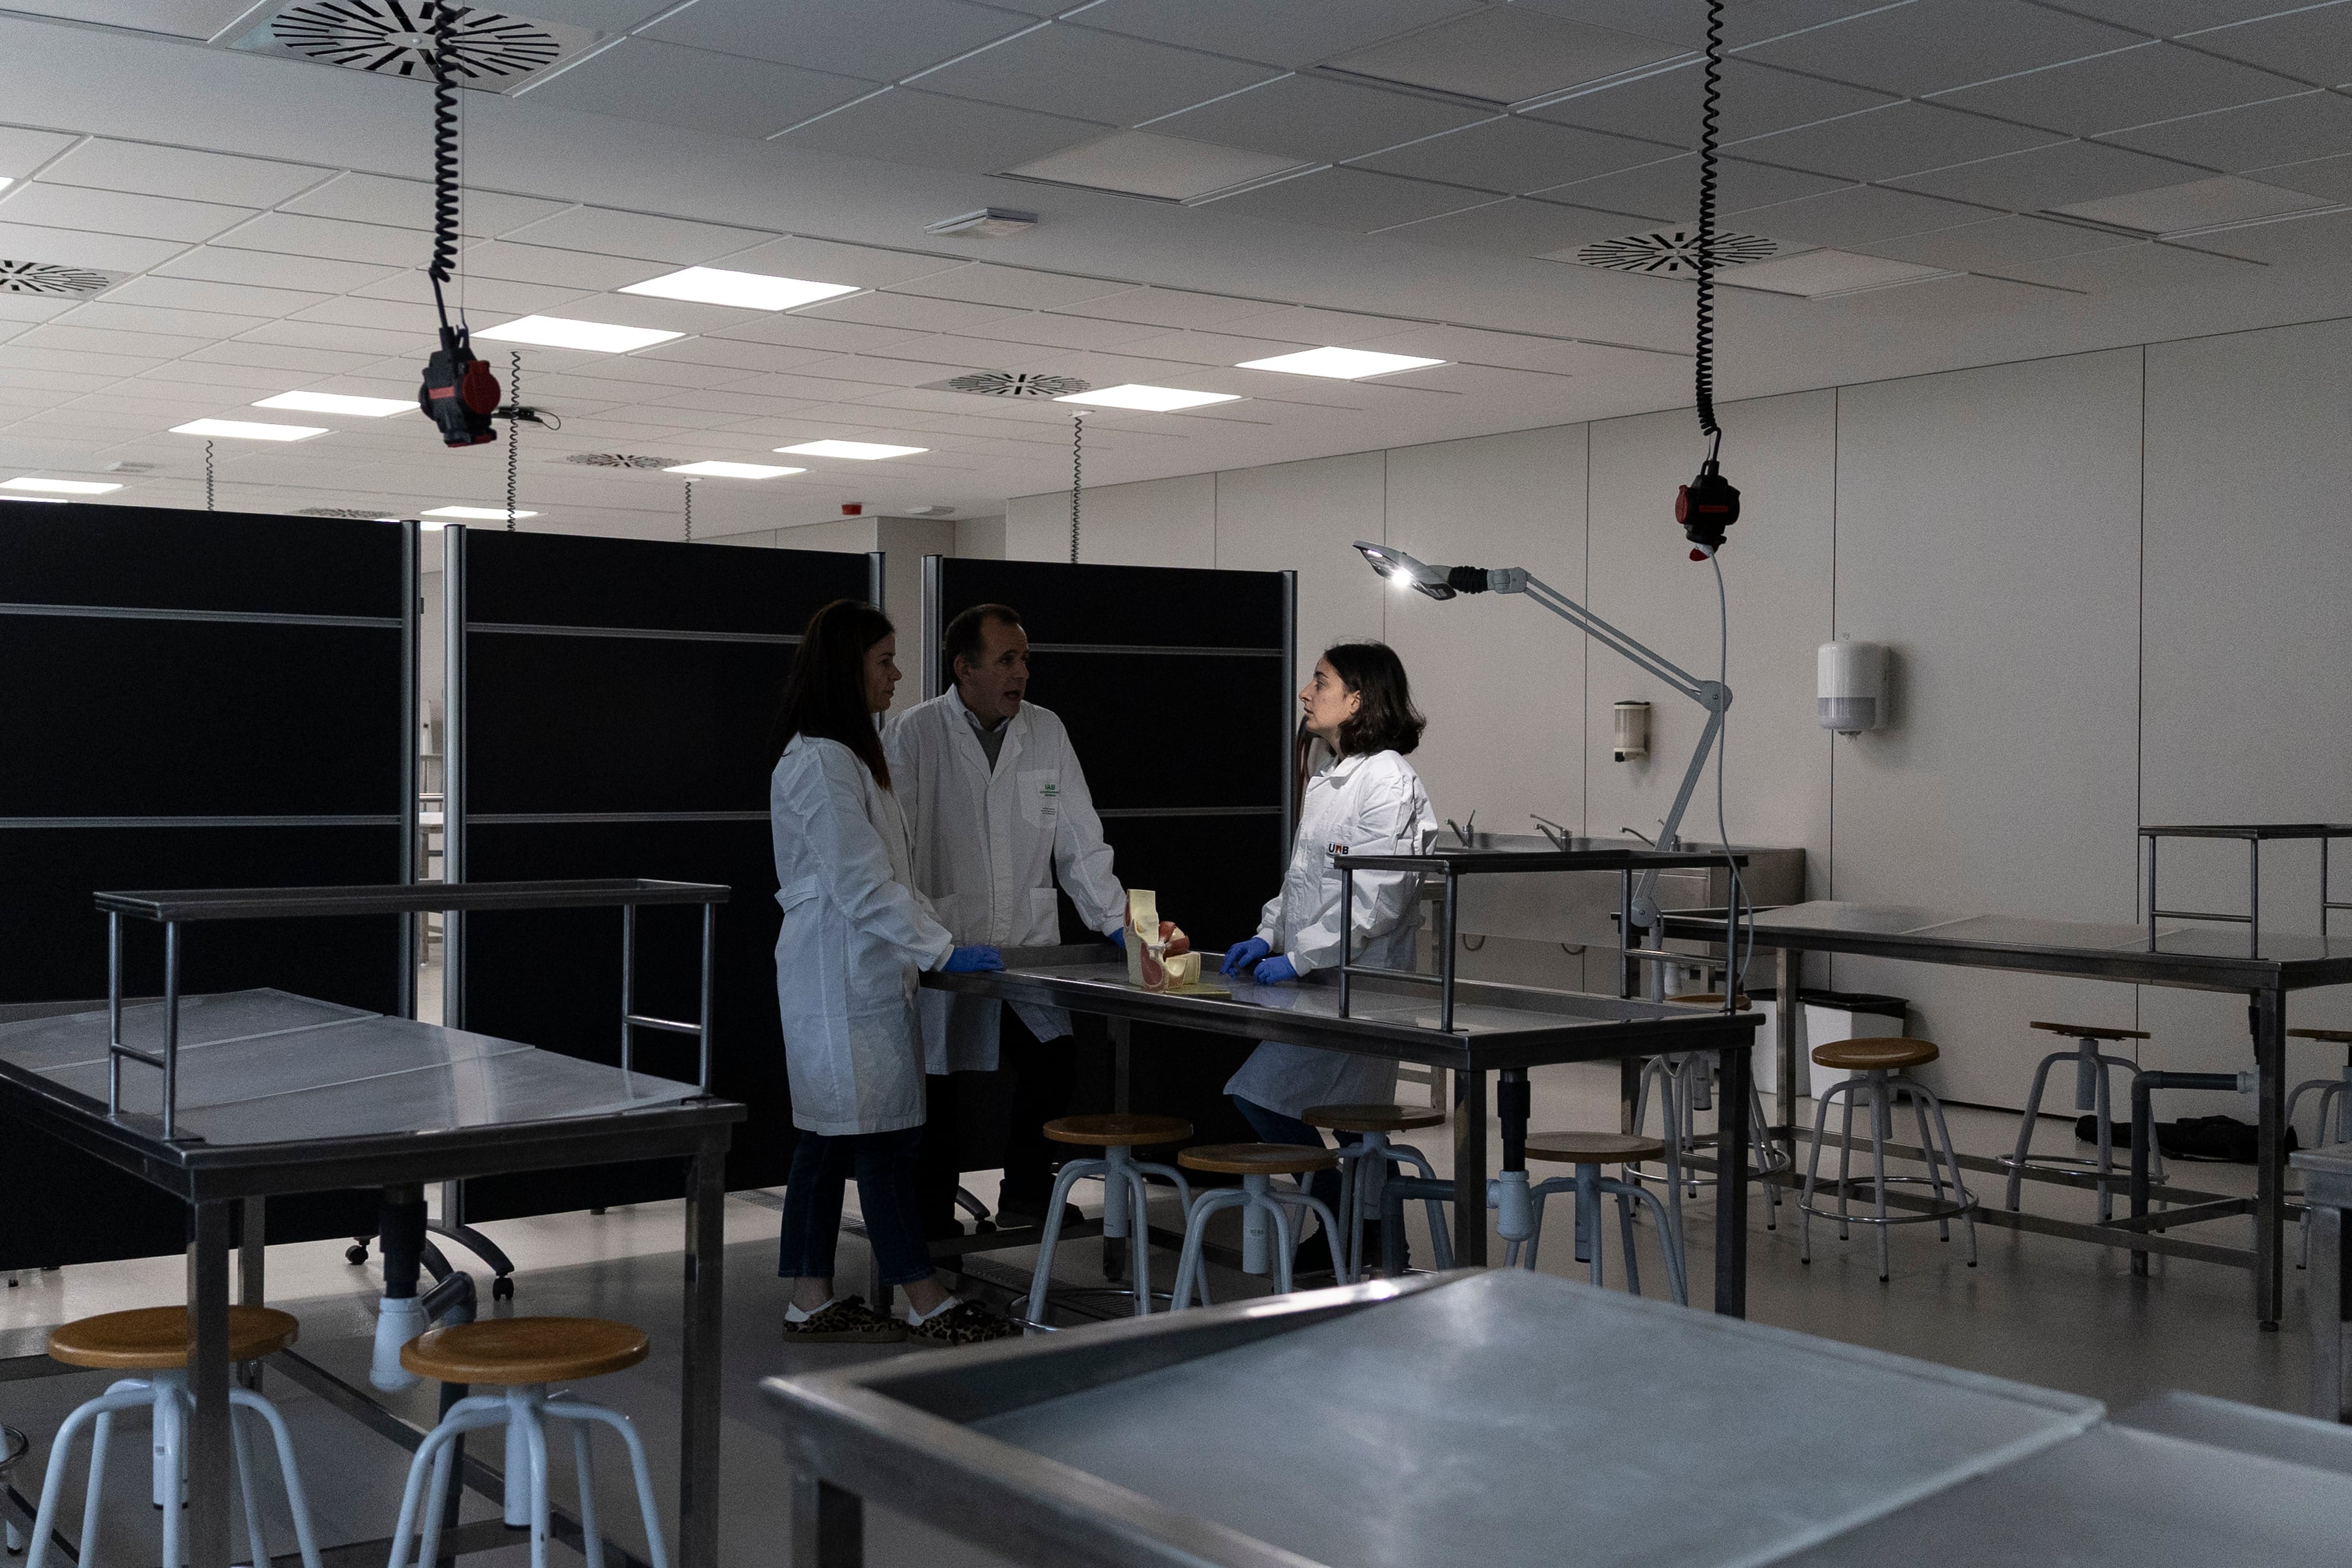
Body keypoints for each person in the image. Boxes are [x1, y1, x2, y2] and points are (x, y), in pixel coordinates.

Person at [768, 598, 1019, 1346]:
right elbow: (860, 883)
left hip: (859, 975)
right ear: (848, 669)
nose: (897, 675)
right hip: (838, 980)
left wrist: (928, 944)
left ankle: (810, 1297)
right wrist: (940, 949)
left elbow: (880, 879)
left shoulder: (851, 756)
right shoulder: (820, 760)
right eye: (884, 662)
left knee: (826, 1142)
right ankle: (923, 1296)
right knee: (879, 1140)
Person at [887, 603, 1126, 1234]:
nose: (1021, 672)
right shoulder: (915, 734)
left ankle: (1025, 1193)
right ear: (965, 668)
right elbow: (896, 849)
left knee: (1054, 1062)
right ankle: (930, 1219)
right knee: (938, 1091)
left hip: (1026, 944)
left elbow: (1079, 839)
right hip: (947, 941)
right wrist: (922, 937)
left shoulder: (1045, 731)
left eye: (1024, 660)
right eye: (1007, 660)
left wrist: (1118, 921)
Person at [1221, 641, 1438, 1273]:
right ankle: (1369, 1236)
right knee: (1353, 1125)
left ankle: (1345, 1217)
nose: (1306, 692)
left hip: (1365, 988)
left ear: (1359, 697)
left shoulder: (1389, 781)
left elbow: (1376, 899)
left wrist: (1300, 956)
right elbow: (1302, 884)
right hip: (1327, 983)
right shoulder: (1331, 778)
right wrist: (1269, 935)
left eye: (1321, 681)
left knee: (1264, 1096)